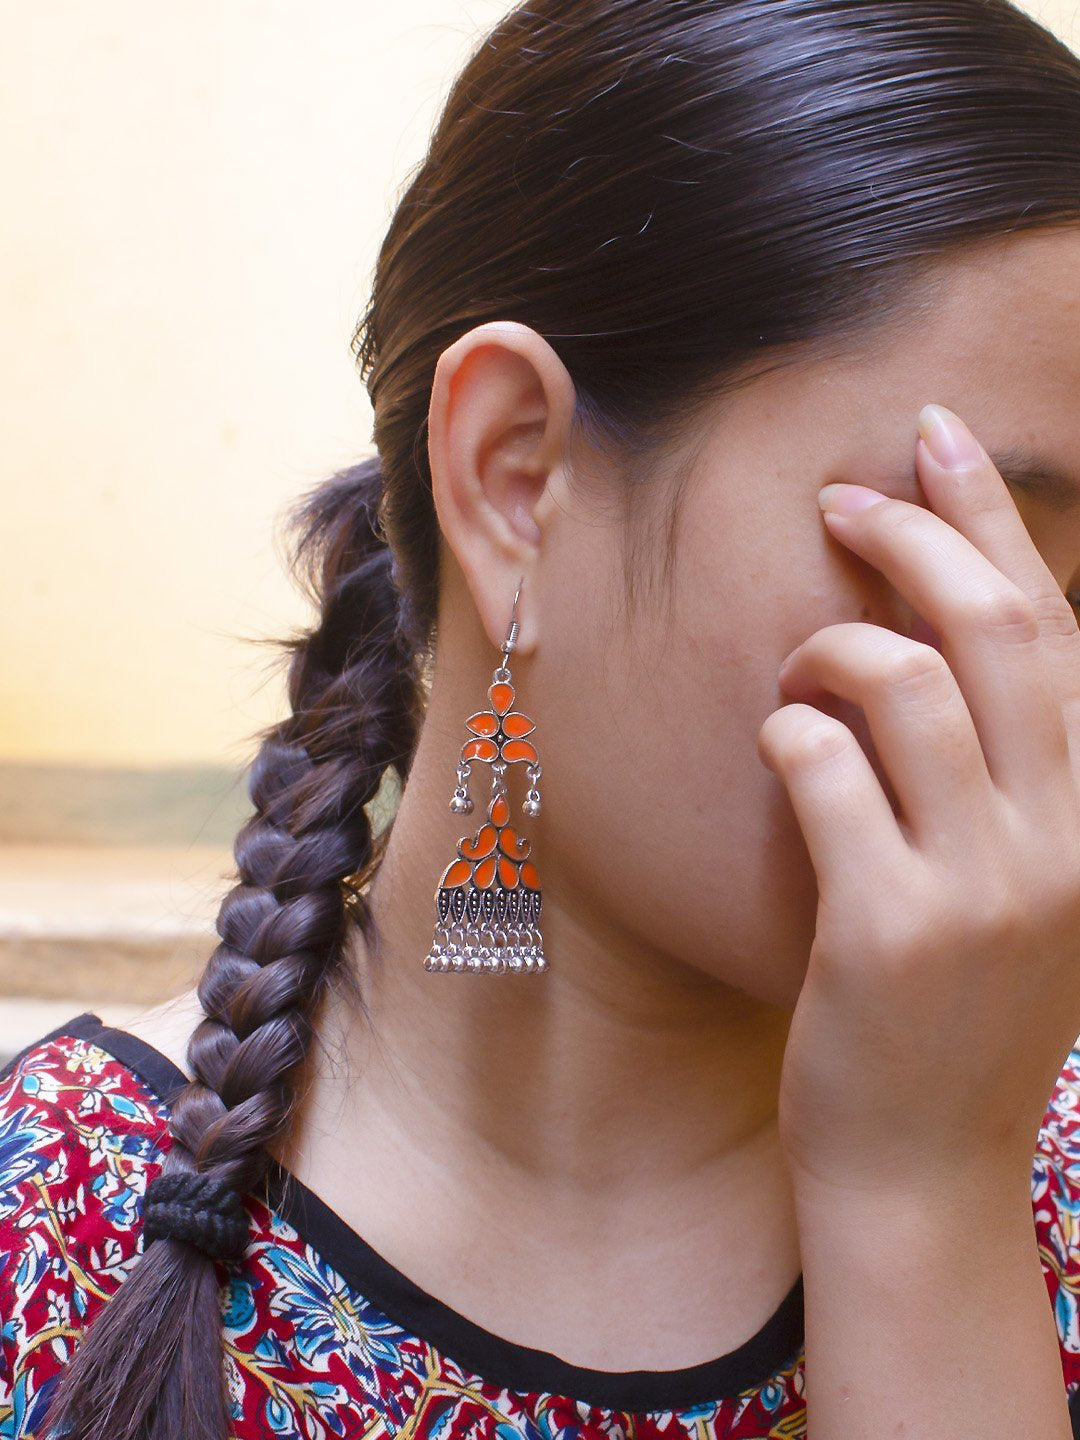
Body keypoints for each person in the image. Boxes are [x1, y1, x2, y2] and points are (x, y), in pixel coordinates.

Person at [6, 0, 1080, 1436]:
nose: (1041, 685)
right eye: (967, 547)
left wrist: (930, 1192)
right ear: (516, 475)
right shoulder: (57, 1229)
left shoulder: (1034, 1167)